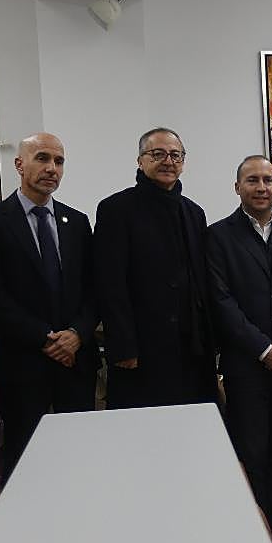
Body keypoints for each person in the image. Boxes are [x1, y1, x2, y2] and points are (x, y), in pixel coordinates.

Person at [0, 133, 99, 481]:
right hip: (23, 362)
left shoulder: (77, 221)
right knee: (25, 456)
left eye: (59, 161)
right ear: (19, 164)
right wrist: (46, 339)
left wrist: (76, 334)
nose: (51, 168)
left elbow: (93, 289)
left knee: (80, 452)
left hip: (75, 360)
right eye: (42, 158)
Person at [207, 155, 272, 521]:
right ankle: (254, 521)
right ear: (237, 187)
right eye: (252, 180)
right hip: (245, 362)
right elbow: (221, 301)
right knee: (251, 448)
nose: (261, 187)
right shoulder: (217, 235)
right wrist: (262, 348)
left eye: (268, 180)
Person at [94, 128, 217, 407]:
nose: (168, 161)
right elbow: (109, 282)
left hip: (191, 347)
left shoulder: (193, 212)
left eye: (176, 155)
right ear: (140, 161)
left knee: (193, 426)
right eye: (157, 154)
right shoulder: (116, 209)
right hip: (141, 348)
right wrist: (124, 346)